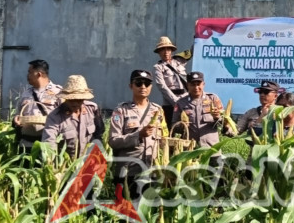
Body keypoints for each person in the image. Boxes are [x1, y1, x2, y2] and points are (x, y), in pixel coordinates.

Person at [108, 69, 167, 200]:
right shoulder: (121, 111)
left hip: (151, 171)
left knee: (148, 213)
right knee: (127, 213)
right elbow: (113, 141)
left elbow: (164, 139)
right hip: (129, 172)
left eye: (147, 84)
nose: (143, 87)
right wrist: (138, 135)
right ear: (131, 86)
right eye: (138, 83)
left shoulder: (158, 111)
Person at [172, 71, 233, 165]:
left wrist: (217, 118)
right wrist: (182, 125)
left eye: (198, 84)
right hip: (190, 151)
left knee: (215, 178)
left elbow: (225, 124)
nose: (196, 87)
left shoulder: (212, 99)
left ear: (203, 84)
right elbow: (174, 126)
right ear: (188, 85)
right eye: (193, 84)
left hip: (212, 150)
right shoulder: (181, 103)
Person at [41, 75, 105, 159]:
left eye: (79, 100)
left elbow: (99, 134)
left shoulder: (93, 110)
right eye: (71, 100)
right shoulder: (55, 117)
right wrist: (51, 162)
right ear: (65, 98)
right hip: (65, 166)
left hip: (88, 162)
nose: (75, 103)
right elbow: (49, 142)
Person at [12, 59, 62, 155]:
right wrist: (15, 120)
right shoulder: (26, 93)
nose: (27, 75)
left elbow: (65, 118)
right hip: (26, 145)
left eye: (30, 72)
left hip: (47, 146)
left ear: (39, 74)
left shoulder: (57, 92)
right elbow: (17, 114)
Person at [153, 36, 189, 126]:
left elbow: (192, 51)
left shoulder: (179, 60)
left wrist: (197, 35)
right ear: (159, 52)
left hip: (185, 99)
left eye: (168, 49)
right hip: (170, 103)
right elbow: (162, 86)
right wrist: (176, 102)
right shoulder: (158, 67)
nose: (166, 52)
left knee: (187, 128)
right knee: (170, 129)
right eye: (162, 50)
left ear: (171, 50)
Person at [236, 80, 280, 145]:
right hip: (255, 153)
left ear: (275, 96)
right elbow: (236, 131)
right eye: (260, 92)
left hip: (277, 154)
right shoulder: (251, 112)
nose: (262, 95)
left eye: (266, 92)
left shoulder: (281, 113)